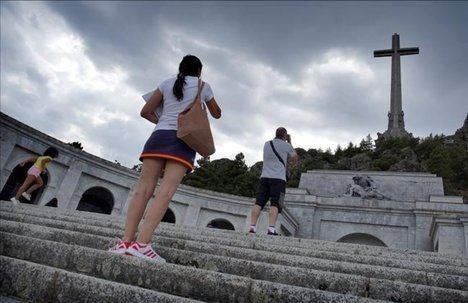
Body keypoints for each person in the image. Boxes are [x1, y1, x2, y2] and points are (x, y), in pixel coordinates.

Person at [109, 55, 222, 262]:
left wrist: (164, 121)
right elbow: (217, 114)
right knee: (165, 193)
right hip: (182, 141)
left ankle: (125, 242)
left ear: (180, 68)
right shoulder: (203, 86)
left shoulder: (166, 83)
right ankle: (142, 245)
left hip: (158, 137)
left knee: (142, 191)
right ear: (199, 71)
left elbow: (145, 112)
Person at [249, 127, 298, 235]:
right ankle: (271, 229)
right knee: (275, 204)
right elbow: (295, 159)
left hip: (264, 177)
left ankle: (252, 227)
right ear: (285, 135)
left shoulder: (267, 144)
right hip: (279, 179)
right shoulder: (286, 145)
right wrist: (289, 142)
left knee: (258, 203)